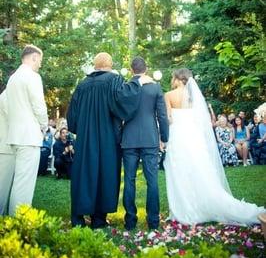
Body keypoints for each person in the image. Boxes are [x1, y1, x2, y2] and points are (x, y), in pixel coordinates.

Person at [163, 68, 265, 225]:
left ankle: (185, 208)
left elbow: (168, 119)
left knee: (179, 171)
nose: (172, 80)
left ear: (178, 79)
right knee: (199, 170)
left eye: (173, 78)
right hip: (193, 138)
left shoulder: (168, 95)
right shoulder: (193, 96)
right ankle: (203, 204)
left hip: (177, 137)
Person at [67, 52, 152, 228]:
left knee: (84, 174)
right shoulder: (114, 81)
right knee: (105, 174)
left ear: (95, 65)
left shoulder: (82, 85)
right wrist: (137, 80)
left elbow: (72, 116)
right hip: (107, 137)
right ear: (110, 65)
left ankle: (78, 218)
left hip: (85, 138)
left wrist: (81, 129)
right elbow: (125, 103)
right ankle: (98, 219)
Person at [121, 57, 169, 230]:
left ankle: (130, 221)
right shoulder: (155, 87)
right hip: (150, 138)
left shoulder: (126, 87)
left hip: (129, 139)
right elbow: (162, 115)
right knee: (152, 180)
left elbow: (120, 113)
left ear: (131, 69)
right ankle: (153, 221)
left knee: (129, 179)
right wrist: (164, 137)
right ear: (146, 69)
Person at [0, 45, 48, 215]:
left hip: (14, 137)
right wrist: (44, 126)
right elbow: (39, 106)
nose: (40, 65)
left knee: (17, 183)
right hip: (29, 137)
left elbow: (5, 106)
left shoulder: (12, 79)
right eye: (39, 61)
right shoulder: (32, 76)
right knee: (23, 186)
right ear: (33, 57)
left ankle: (8, 222)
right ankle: (18, 224)